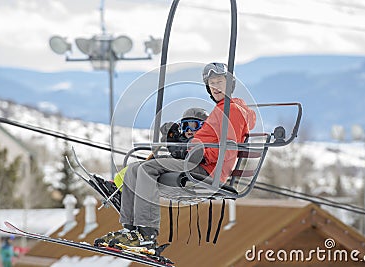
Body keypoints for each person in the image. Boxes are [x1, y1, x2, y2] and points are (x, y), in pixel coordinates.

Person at [96, 62, 256, 250]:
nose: (215, 87)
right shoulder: (222, 109)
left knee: (147, 170)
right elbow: (204, 139)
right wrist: (180, 142)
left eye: (220, 82)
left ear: (230, 84)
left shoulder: (231, 110)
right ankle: (130, 230)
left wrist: (200, 152)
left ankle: (147, 233)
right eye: (211, 83)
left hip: (207, 170)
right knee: (133, 169)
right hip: (196, 162)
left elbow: (228, 149)